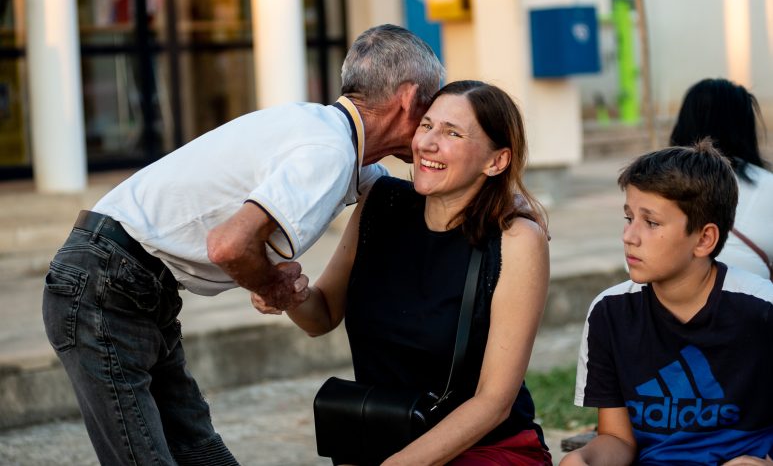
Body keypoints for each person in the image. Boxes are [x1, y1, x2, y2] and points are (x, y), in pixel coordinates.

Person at [41, 24, 444, 465]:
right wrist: (272, 284)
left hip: (127, 278)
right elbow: (229, 246)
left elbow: (391, 195)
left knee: (201, 451)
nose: (432, 134)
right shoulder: (329, 151)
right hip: (107, 282)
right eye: (431, 116)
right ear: (408, 100)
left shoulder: (327, 136)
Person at [255, 80, 553, 464]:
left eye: (452, 133)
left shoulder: (515, 239)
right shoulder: (381, 202)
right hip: (383, 436)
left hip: (483, 449)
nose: (427, 143)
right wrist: (288, 293)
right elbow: (322, 315)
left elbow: (493, 402)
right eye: (426, 125)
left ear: (495, 161)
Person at [561, 141, 773, 466]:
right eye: (628, 217)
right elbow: (617, 438)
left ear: (704, 239)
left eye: (651, 222)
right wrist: (583, 459)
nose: (629, 236)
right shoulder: (610, 311)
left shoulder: (761, 309)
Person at [670, 78, 773, 279]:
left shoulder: (655, 184)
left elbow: (631, 266)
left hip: (666, 307)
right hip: (752, 306)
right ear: (744, 128)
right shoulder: (768, 186)